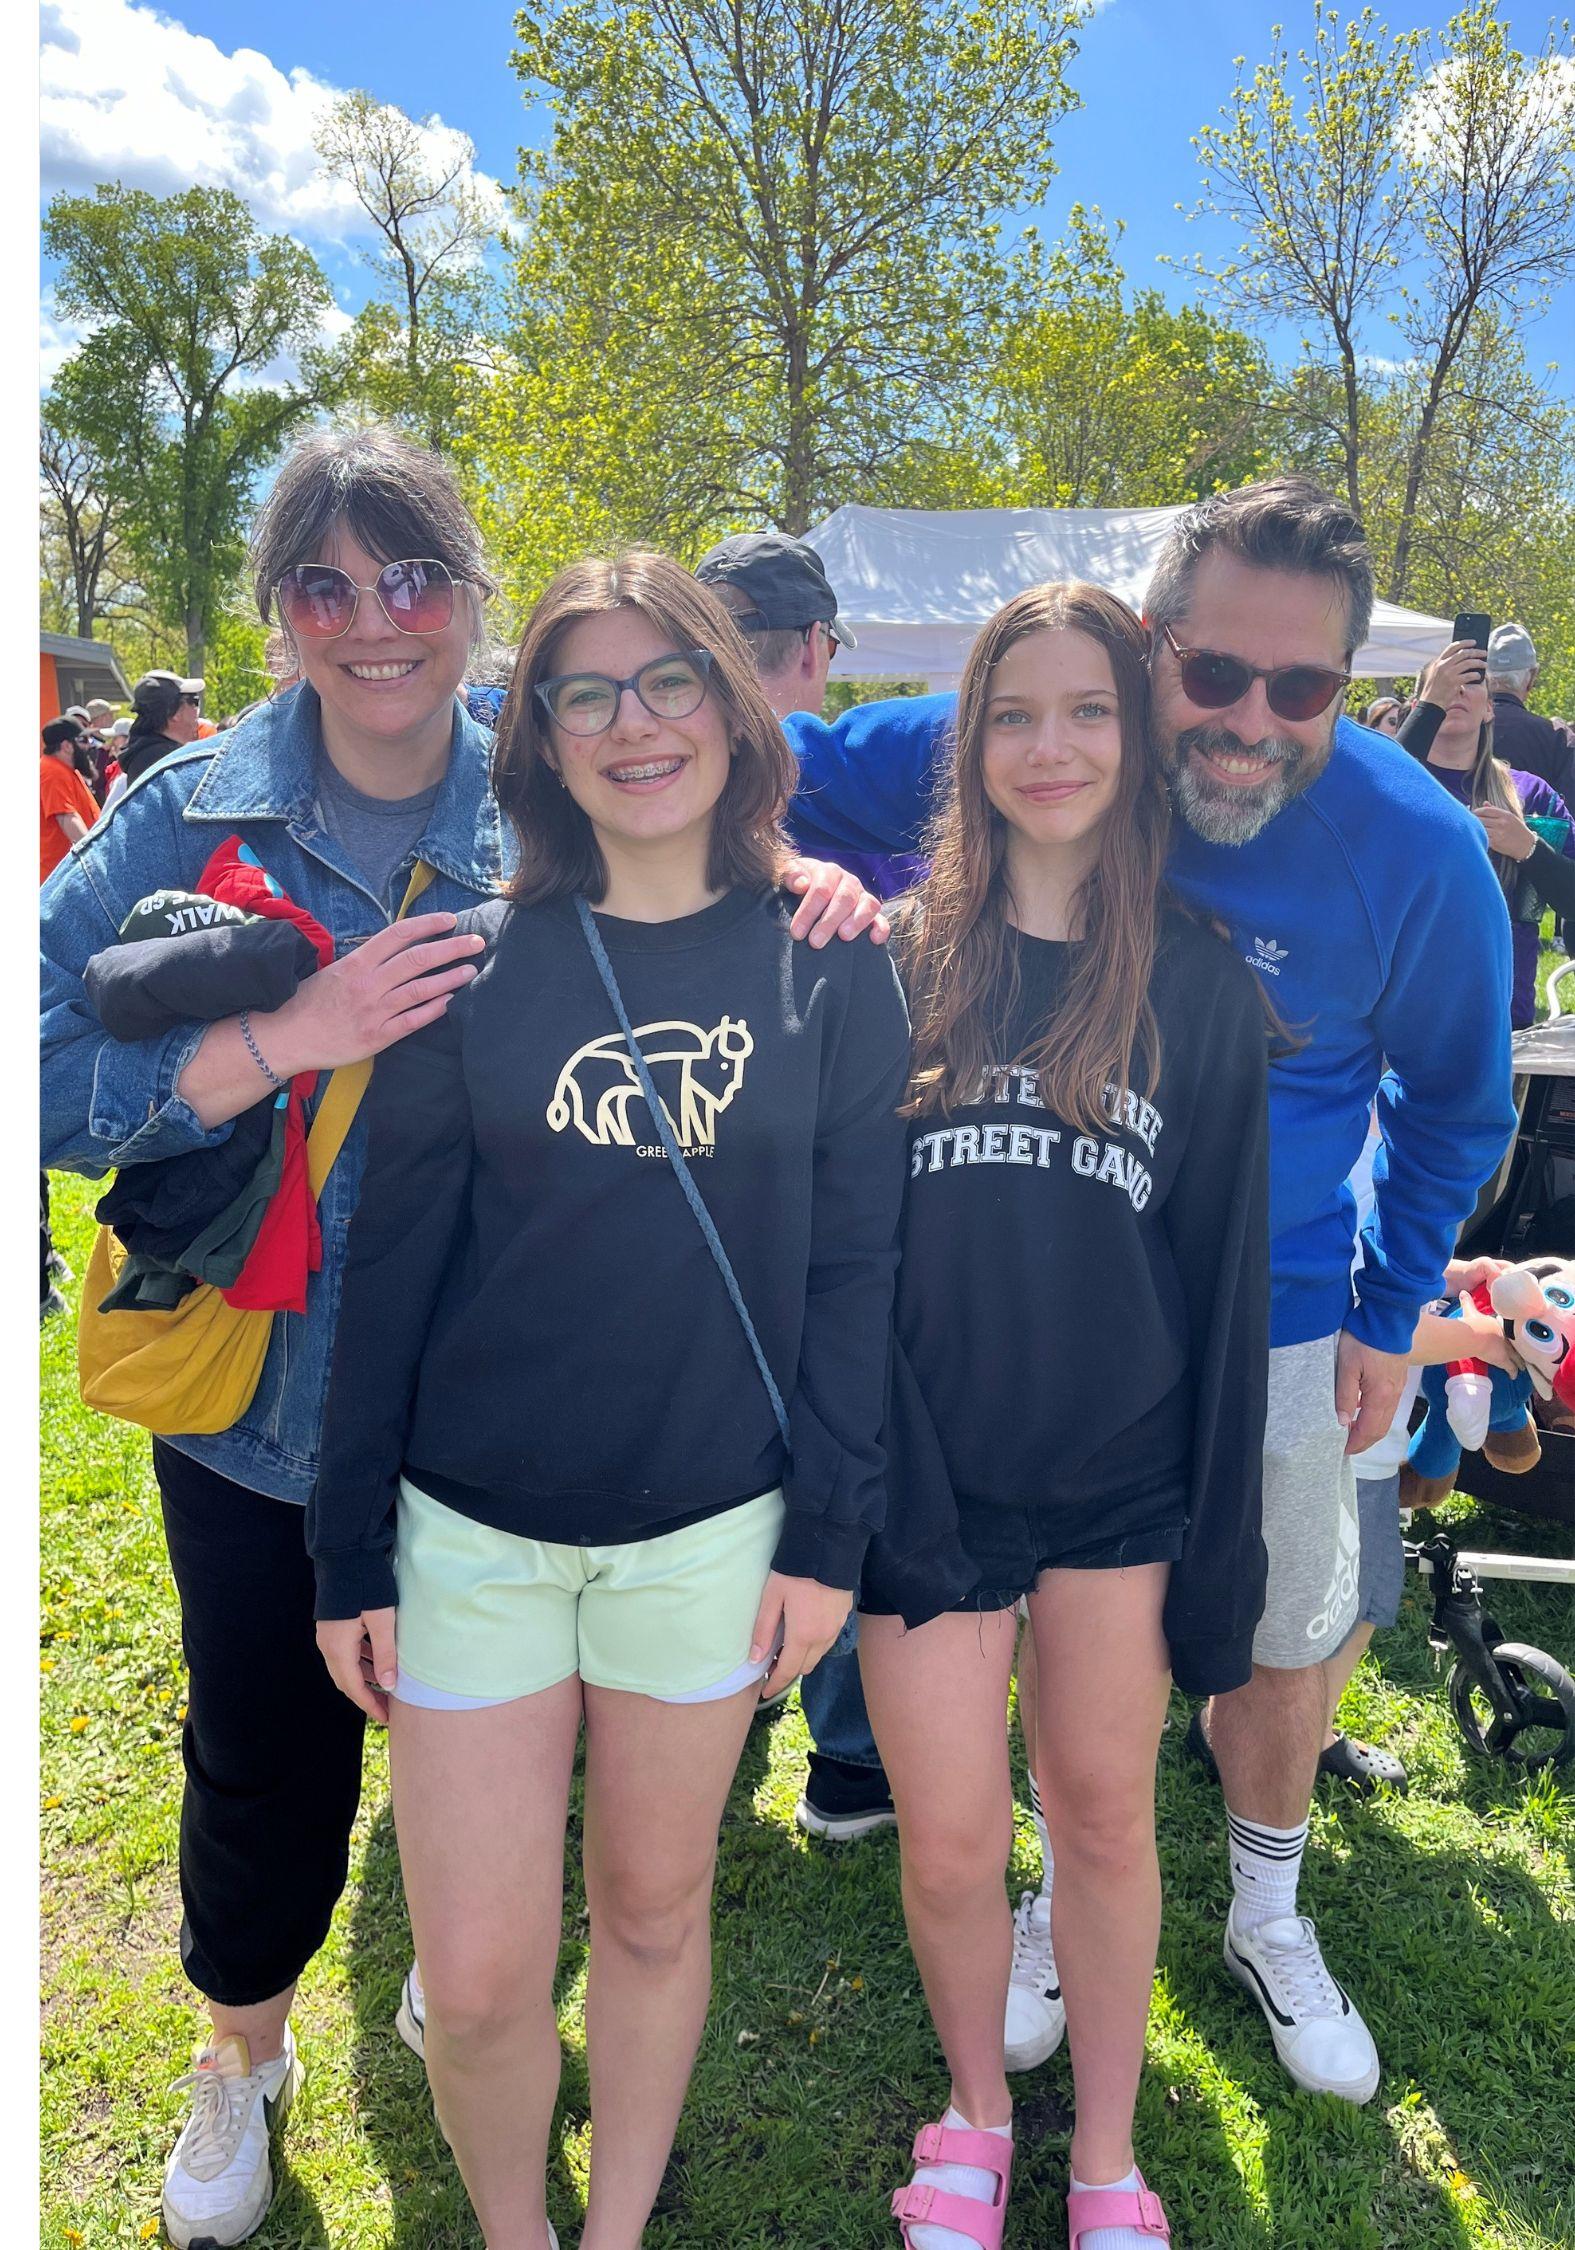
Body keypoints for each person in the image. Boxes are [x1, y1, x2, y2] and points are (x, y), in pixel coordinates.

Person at [39, 425, 883, 2250]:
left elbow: (686, 839)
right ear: (278, 616)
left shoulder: (544, 773)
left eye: (413, 578)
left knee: (557, 1829)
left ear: (468, 600)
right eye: (328, 587)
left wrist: (811, 884)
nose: (375, 621)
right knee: (263, 1757)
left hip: (556, 1408)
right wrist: (279, 1039)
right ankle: (242, 2050)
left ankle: (471, 1995)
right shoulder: (188, 812)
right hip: (278, 1396)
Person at [773, 477, 1516, 2106]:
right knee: (1057, 1619)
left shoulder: (1416, 848)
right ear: (1152, 641)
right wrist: (799, 873)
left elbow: (1463, 1100)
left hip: (1286, 1313)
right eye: (1214, 674)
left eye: (1302, 688)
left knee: (1281, 1628)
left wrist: (1393, 1308)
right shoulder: (1060, 716)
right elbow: (754, 765)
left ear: (1347, 688)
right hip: (1040, 1298)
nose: (1250, 721)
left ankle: (1267, 1905)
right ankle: (1056, 1891)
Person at [307, 551, 910, 2250]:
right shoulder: (469, 969)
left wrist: (828, 1541)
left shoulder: (829, 964)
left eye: (670, 681)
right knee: (485, 1980)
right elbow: (391, 1276)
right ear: (544, 741)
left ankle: (620, 2228)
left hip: (711, 1538)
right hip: (472, 1544)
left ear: (734, 703)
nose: (634, 722)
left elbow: (857, 1278)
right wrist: (349, 1555)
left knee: (652, 1915)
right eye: (587, 690)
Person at [860, 580, 1269, 2250]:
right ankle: (974, 2113)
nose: (1054, 746)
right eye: (1016, 713)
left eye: (1089, 710)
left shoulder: (1200, 983)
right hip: (927, 1488)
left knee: (1100, 1819)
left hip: (1119, 1489)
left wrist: (1219, 1557)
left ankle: (1105, 2154)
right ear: (973, 742)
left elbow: (1226, 1285)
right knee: (954, 1845)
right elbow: (844, 1256)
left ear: (1139, 736)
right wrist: (872, 1484)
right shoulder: (891, 966)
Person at [1397, 640, 1575, 1029]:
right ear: (1418, 707)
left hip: (1498, 1014)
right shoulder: (1393, 784)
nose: (1457, 691)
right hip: (1394, 1011)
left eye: (1471, 682)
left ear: (1490, 707)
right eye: (1444, 683)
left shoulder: (1530, 794)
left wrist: (1528, 847)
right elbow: (1362, 808)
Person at [1486, 621, 1575, 805]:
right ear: (1532, 677)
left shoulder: (1454, 726)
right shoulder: (1557, 737)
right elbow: (1568, 817)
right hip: (1531, 833)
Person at [102, 671, 206, 811]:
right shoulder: (169, 762)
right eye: (193, 701)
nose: (196, 711)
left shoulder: (144, 755)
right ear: (172, 711)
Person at [40, 715, 101, 886]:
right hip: (59, 882)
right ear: (66, 746)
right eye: (83, 739)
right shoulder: (51, 771)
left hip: (68, 877)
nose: (89, 745)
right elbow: (67, 818)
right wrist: (97, 858)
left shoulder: (66, 770)